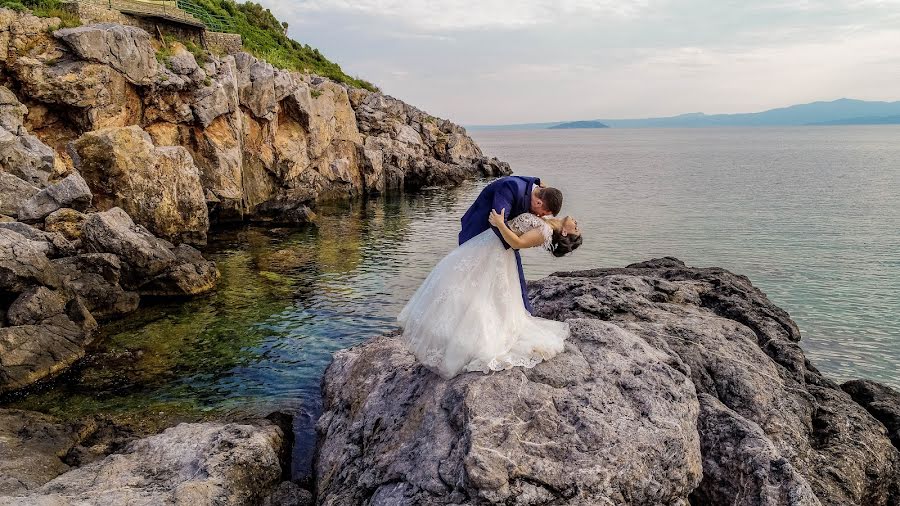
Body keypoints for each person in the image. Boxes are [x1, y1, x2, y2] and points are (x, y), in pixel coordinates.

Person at [397, 179, 582, 379]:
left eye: (576, 228)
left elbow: (517, 242)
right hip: (489, 244)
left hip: (497, 249)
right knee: (469, 285)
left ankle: (474, 338)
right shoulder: (545, 218)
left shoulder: (544, 231)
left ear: (564, 232)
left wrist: (501, 224)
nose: (577, 223)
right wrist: (535, 182)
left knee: (481, 292)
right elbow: (533, 192)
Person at [458, 176, 564, 313]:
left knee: (510, 278)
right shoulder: (510, 187)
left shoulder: (534, 190)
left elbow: (525, 181)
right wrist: (518, 243)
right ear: (538, 203)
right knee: (473, 277)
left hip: (499, 239)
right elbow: (496, 221)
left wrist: (536, 181)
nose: (539, 217)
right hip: (479, 231)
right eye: (542, 213)